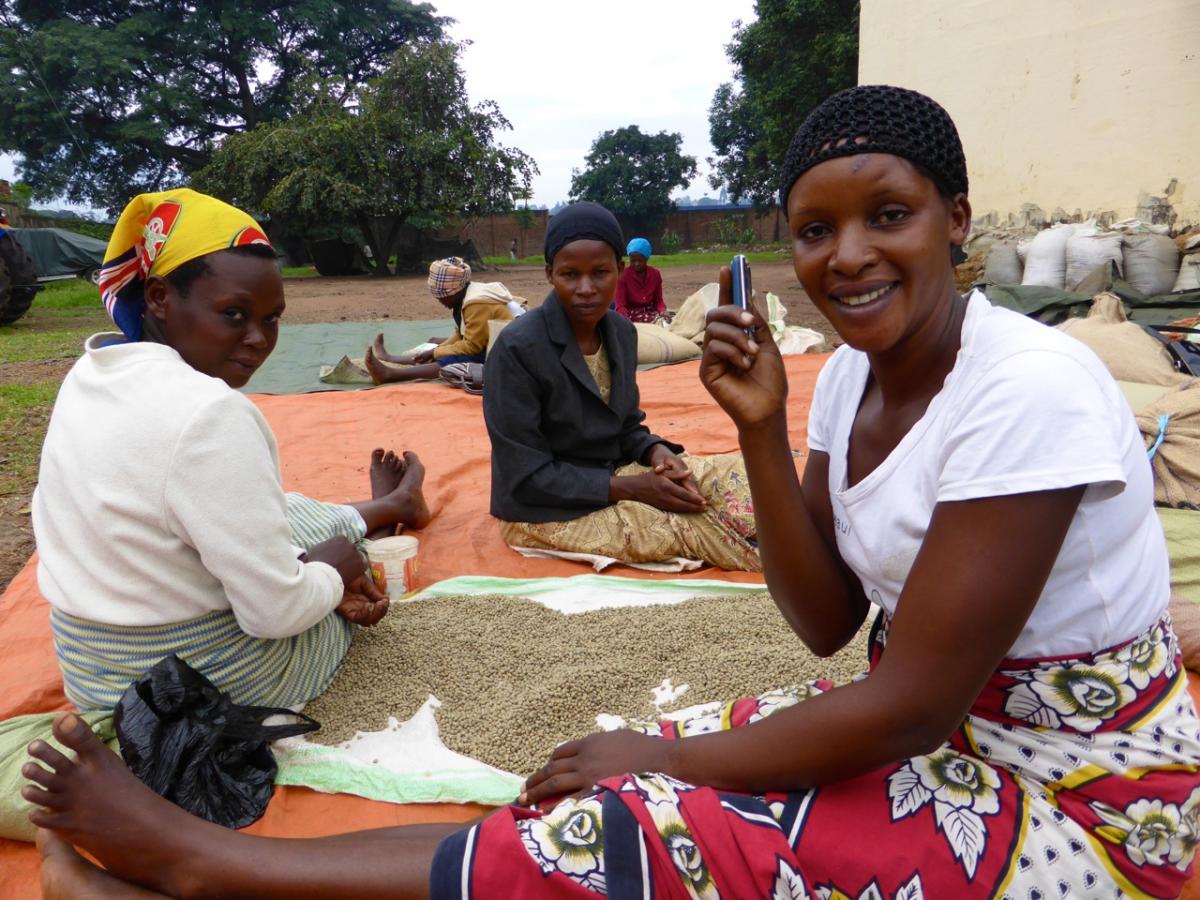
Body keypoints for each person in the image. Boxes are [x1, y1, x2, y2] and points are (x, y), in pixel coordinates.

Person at [22, 87, 1200, 899]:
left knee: (648, 805)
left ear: (957, 220)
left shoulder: (1029, 389)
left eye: (888, 216)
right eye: (815, 230)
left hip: (1082, 789)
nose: (848, 257)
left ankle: (206, 869)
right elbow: (830, 622)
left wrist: (664, 750)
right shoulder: (836, 383)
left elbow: (906, 702)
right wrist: (762, 426)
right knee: (624, 752)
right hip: (937, 723)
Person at [31, 188, 431, 712]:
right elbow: (276, 616)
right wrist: (334, 572)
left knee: (283, 512)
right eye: (234, 314)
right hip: (192, 689)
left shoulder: (91, 371)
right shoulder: (208, 413)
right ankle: (376, 519)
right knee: (311, 548)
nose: (259, 340)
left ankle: (386, 509)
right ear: (158, 297)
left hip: (91, 672)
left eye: (271, 318)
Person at [483, 201, 759, 571]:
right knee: (687, 527)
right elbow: (526, 475)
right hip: (544, 506)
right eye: (570, 275)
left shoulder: (620, 333)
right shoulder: (517, 348)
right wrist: (635, 489)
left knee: (741, 479)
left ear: (619, 270)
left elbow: (626, 426)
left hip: (616, 474)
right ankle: (796, 567)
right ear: (550, 274)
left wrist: (657, 453)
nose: (586, 289)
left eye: (600, 273)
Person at [365, 256, 518, 386]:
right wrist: (435, 350)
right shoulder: (466, 297)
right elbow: (461, 334)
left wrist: (436, 352)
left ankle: (390, 375)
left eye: (442, 295)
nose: (439, 300)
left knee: (454, 360)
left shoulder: (476, 304)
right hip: (492, 346)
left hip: (507, 356)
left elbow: (471, 347)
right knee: (444, 350)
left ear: (454, 291)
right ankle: (389, 358)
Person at [612, 236, 666, 323]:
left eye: (640, 261)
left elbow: (658, 301)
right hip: (629, 314)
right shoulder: (622, 276)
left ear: (646, 259)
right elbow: (620, 305)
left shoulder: (655, 274)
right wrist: (626, 321)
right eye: (633, 261)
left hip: (650, 313)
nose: (636, 264)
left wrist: (662, 311)